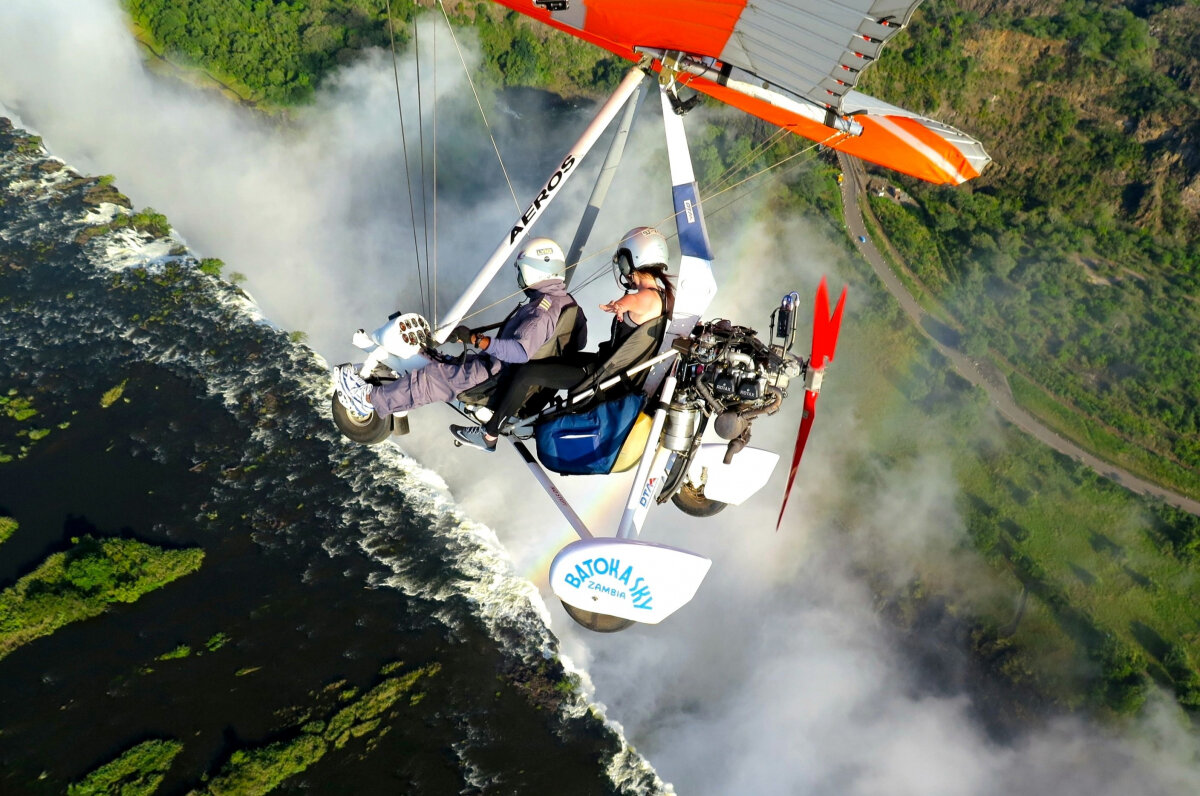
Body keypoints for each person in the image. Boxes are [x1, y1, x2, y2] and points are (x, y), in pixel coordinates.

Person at [449, 226, 674, 452]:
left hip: (602, 376)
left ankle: (489, 435)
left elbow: (636, 303)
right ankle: (526, 414)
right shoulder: (663, 296)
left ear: (632, 259)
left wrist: (620, 305)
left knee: (526, 372)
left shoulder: (646, 297)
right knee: (560, 358)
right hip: (604, 367)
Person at [335, 238, 586, 422]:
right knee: (446, 363)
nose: (520, 279)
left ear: (534, 271)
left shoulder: (539, 311)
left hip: (498, 378)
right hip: (521, 381)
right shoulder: (566, 303)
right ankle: (395, 386)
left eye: (522, 272)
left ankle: (367, 400)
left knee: (430, 379)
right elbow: (580, 340)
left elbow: (520, 351)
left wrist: (477, 339)